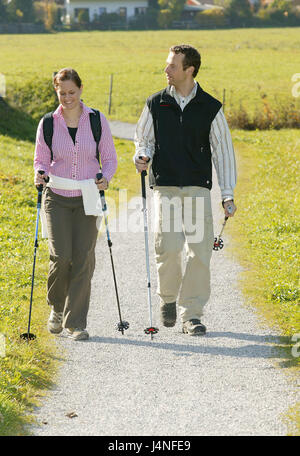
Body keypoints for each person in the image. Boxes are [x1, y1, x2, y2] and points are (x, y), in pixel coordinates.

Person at [134, 44, 237, 336]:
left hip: (196, 186)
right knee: (166, 246)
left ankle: (191, 313)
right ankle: (168, 298)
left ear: (189, 70)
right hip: (164, 185)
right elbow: (144, 139)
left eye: (172, 66)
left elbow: (223, 152)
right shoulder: (155, 103)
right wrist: (142, 155)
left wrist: (227, 193)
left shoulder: (210, 107)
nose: (166, 70)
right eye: (167, 65)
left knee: (200, 251)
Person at [34, 68, 117, 341]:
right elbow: (41, 160)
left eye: (72, 92)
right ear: (56, 91)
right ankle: (56, 308)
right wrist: (40, 172)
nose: (67, 98)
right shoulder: (48, 123)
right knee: (62, 257)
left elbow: (109, 157)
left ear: (81, 89)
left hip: (89, 196)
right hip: (56, 196)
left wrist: (106, 177)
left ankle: (76, 322)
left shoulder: (96, 120)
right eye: (62, 93)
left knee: (84, 259)